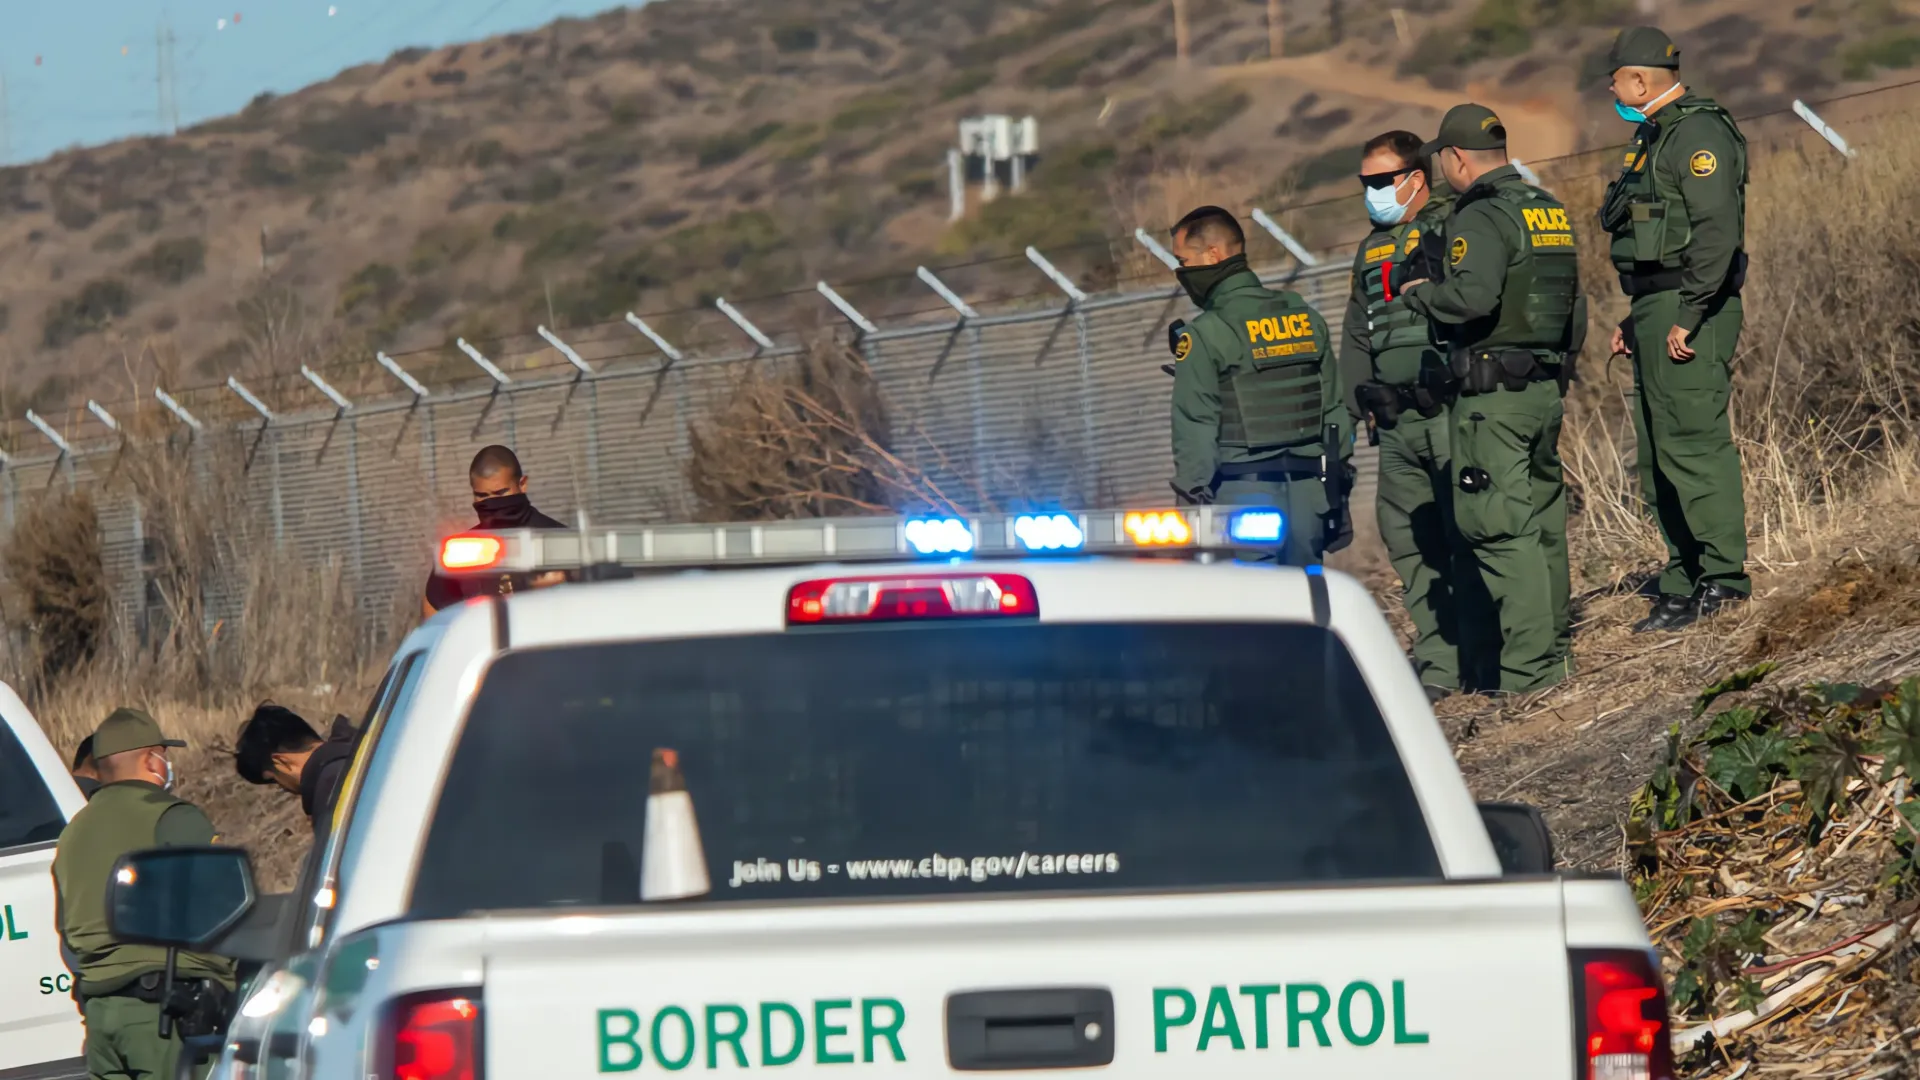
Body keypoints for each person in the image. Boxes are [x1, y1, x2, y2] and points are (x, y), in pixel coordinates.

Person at [1384, 104, 1582, 694]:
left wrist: (1420, 294)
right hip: (1542, 389)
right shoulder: (1545, 208)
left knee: (1500, 530)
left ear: (1456, 158)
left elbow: (1470, 299)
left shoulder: (1481, 217)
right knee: (1543, 525)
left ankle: (1526, 674)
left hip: (1492, 396)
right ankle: (1556, 658)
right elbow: (1576, 302)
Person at [1599, 26, 1751, 634]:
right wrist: (1634, 319)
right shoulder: (1653, 135)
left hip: (1694, 311)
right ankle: (1685, 576)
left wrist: (1688, 313)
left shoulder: (1699, 133)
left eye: (1615, 78)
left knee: (1694, 443)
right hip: (1657, 310)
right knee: (1659, 454)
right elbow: (1655, 243)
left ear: (1639, 79)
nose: (1610, 88)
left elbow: (1716, 234)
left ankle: (1725, 578)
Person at [1341, 130, 1469, 703]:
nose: (1369, 193)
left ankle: (1485, 648)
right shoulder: (1370, 249)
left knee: (1469, 529)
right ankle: (1441, 659)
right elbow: (1356, 331)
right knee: (1408, 539)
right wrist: (1355, 406)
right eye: (1364, 183)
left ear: (1416, 178)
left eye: (1379, 181)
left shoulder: (1454, 225)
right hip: (1395, 422)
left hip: (1450, 410)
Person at [52, 708, 236, 1080]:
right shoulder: (174, 817)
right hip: (165, 1015)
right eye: (164, 756)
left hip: (101, 1015)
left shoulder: (72, 833)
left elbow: (67, 930)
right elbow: (225, 908)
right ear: (151, 760)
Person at [1166, 205, 1352, 566]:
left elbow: (1195, 426)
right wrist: (1339, 490)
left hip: (1243, 501)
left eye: (1183, 261)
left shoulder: (1205, 335)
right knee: (1306, 607)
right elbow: (1334, 412)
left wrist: (1189, 507)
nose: (1182, 273)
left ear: (1213, 255)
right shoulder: (1304, 318)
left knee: (1256, 610)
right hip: (1309, 496)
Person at [422, 444, 570, 616]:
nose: (491, 503)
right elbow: (433, 611)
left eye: (500, 493)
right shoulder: (463, 551)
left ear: (522, 485)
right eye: (482, 496)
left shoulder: (558, 540)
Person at [232, 703, 359, 841]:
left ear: (281, 762)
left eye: (275, 780)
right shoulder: (367, 747)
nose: (284, 788)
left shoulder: (330, 790)